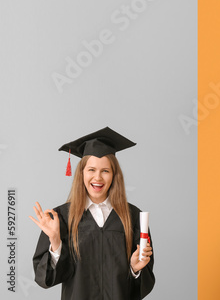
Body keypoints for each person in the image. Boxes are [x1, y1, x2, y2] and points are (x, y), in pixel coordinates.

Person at [30, 126, 155, 300]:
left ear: (114, 175)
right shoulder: (61, 218)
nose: (98, 178)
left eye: (105, 171)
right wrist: (56, 243)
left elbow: (143, 286)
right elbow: (44, 279)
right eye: (91, 170)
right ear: (81, 173)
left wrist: (135, 269)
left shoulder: (133, 217)